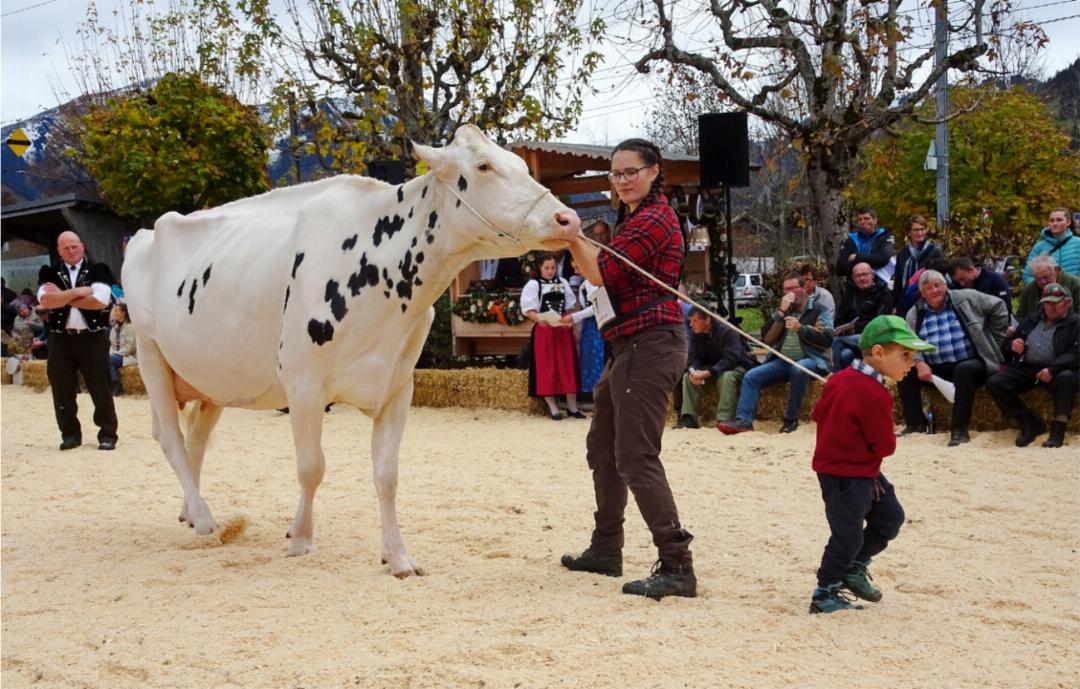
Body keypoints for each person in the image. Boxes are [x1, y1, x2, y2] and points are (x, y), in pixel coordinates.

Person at [557, 138, 697, 600]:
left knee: (636, 455)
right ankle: (606, 547)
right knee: (602, 448)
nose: (623, 181)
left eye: (631, 172)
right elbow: (595, 268)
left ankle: (677, 564)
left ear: (655, 171)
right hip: (627, 345)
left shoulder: (656, 218)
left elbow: (598, 274)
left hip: (650, 344)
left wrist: (574, 233)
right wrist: (574, 238)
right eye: (616, 175)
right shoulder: (630, 219)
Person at [808, 315, 936, 614]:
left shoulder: (838, 379)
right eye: (905, 355)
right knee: (847, 534)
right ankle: (824, 592)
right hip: (845, 473)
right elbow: (885, 447)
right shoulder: (875, 394)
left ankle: (853, 567)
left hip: (860, 470)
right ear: (878, 353)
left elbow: (817, 415)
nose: (910, 363)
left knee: (890, 517)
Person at [898, 270, 1009, 446]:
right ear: (922, 293)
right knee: (903, 373)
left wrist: (995, 340)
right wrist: (919, 363)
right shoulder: (914, 312)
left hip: (971, 361)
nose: (935, 291)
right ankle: (915, 424)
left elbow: (999, 306)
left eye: (938, 285)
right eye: (929, 288)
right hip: (935, 367)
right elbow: (910, 341)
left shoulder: (966, 297)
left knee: (964, 370)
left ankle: (959, 430)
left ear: (945, 285)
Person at [718, 272, 833, 435]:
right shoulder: (784, 310)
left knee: (799, 369)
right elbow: (766, 339)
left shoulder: (819, 309)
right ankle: (743, 420)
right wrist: (780, 313)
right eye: (785, 289)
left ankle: (790, 419)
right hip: (783, 361)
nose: (788, 293)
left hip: (811, 360)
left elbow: (827, 338)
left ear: (804, 288)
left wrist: (801, 328)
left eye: (792, 288)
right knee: (752, 376)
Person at [37, 230, 118, 451]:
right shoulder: (49, 272)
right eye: (66, 247)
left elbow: (100, 301)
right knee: (61, 388)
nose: (71, 251)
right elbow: (46, 301)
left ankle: (107, 433)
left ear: (82, 246)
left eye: (74, 246)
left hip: (92, 337)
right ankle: (70, 434)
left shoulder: (98, 270)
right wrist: (80, 292)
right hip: (60, 339)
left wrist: (62, 296)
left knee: (100, 386)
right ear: (59, 250)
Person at [985, 283, 1079, 448]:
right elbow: (1006, 345)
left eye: (1057, 303)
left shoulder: (1075, 323)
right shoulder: (1032, 318)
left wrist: (1052, 368)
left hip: (1059, 370)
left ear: (1068, 302)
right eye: (1048, 303)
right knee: (995, 382)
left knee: (1067, 379)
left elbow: (1075, 354)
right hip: (1027, 368)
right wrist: (1013, 345)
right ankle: (1029, 422)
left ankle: (1059, 428)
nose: (1052, 307)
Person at [675, 306, 759, 429]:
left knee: (726, 377)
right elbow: (693, 357)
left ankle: (724, 418)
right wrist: (694, 370)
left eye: (695, 320)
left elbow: (731, 358)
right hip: (713, 365)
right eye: (690, 321)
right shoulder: (695, 334)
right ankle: (688, 417)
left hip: (737, 365)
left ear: (707, 320)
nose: (691, 325)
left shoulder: (727, 331)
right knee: (688, 377)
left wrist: (709, 372)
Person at [521, 253, 583, 420]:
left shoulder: (562, 282)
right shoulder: (534, 285)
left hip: (562, 327)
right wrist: (538, 319)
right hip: (545, 329)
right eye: (547, 268)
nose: (550, 271)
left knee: (567, 364)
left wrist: (571, 322)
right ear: (540, 268)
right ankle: (553, 408)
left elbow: (570, 307)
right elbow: (529, 309)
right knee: (547, 366)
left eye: (553, 268)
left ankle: (572, 407)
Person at [831, 262, 892, 371]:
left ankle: (833, 380)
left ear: (872, 275)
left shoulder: (884, 293)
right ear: (853, 278)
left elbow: (881, 323)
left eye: (865, 274)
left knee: (837, 341)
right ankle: (859, 377)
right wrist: (843, 329)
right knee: (845, 354)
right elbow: (839, 320)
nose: (862, 278)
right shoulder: (849, 295)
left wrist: (855, 328)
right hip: (852, 339)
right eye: (858, 276)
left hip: (874, 338)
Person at [892, 215, 944, 313]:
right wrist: (895, 304)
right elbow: (898, 281)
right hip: (906, 300)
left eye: (922, 229)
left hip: (927, 299)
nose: (920, 233)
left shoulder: (935, 251)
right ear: (909, 233)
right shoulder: (902, 253)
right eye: (916, 230)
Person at [836, 206, 895, 281]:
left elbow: (883, 258)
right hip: (855, 287)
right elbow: (840, 268)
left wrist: (856, 258)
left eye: (866, 218)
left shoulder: (885, 237)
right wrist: (872, 261)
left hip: (879, 286)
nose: (863, 222)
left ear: (875, 220)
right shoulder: (852, 240)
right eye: (860, 219)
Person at [1015, 254, 1080, 322]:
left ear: (1056, 271)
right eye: (1038, 279)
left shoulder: (1075, 284)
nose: (1043, 282)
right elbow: (1020, 316)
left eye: (1046, 277)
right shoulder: (1029, 290)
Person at [570, 272, 605, 397]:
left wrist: (574, 317)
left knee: (598, 356)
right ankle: (589, 391)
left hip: (598, 323)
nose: (575, 271)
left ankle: (600, 391)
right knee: (588, 356)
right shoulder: (584, 283)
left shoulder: (595, 283)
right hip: (588, 325)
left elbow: (595, 307)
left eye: (577, 267)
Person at [1022, 207, 1079, 284]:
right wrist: (1042, 288)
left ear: (1068, 222)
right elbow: (1027, 275)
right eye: (1052, 220)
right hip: (1047, 294)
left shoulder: (1078, 243)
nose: (1055, 223)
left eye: (1059, 220)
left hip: (1074, 293)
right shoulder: (1039, 247)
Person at [947, 257, 1013, 319]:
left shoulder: (995, 280)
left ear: (971, 270)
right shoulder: (957, 286)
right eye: (958, 281)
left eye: (962, 279)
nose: (962, 284)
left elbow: (1005, 308)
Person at [108, 302, 137, 396]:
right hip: (116, 354)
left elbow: (131, 346)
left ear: (123, 313)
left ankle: (116, 385)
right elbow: (111, 343)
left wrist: (116, 354)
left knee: (109, 360)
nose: (114, 313)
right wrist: (112, 353)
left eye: (116, 311)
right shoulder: (114, 327)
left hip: (128, 356)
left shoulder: (131, 327)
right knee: (102, 359)